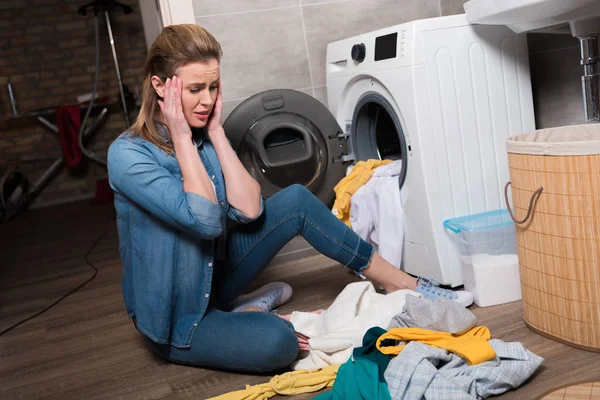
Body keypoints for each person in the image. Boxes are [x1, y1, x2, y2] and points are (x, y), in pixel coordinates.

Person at [107, 24, 473, 374]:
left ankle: (401, 283)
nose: (207, 101)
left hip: (214, 276)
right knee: (281, 343)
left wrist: (216, 132)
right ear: (160, 86)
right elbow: (203, 220)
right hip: (179, 316)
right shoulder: (129, 156)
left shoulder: (205, 136)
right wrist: (181, 137)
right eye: (195, 89)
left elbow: (250, 209)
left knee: (296, 199)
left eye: (214, 87)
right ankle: (238, 313)